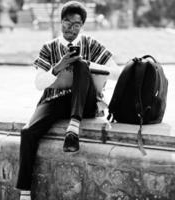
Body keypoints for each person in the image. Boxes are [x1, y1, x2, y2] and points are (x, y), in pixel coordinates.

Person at [16, 1, 120, 200]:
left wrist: (88, 65)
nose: (70, 29)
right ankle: (25, 193)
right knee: (28, 132)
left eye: (76, 25)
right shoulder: (49, 48)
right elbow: (39, 83)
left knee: (80, 64)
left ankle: (73, 126)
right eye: (66, 23)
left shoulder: (90, 44)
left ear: (82, 25)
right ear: (60, 21)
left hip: (86, 102)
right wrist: (58, 67)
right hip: (56, 99)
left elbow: (116, 71)